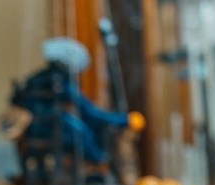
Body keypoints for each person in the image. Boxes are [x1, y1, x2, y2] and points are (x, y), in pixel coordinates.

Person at [9, 37, 145, 165]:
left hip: (37, 126)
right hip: (47, 126)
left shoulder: (42, 76)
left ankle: (97, 159)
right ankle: (99, 159)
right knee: (80, 131)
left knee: (78, 125)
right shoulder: (60, 82)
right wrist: (125, 120)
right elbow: (90, 112)